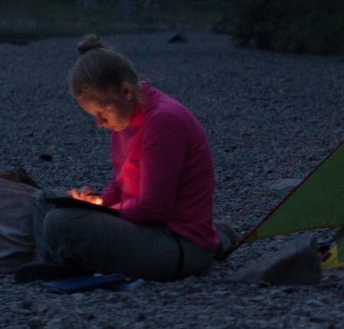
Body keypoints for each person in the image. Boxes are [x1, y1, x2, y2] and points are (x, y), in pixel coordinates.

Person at [25, 36, 224, 281]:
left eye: (102, 113)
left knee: (59, 222)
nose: (99, 123)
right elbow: (121, 183)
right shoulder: (124, 120)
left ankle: (65, 258)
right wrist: (98, 200)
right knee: (42, 201)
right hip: (143, 227)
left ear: (127, 92)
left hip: (177, 243)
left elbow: (154, 208)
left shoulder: (163, 122)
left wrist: (104, 211)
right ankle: (60, 260)